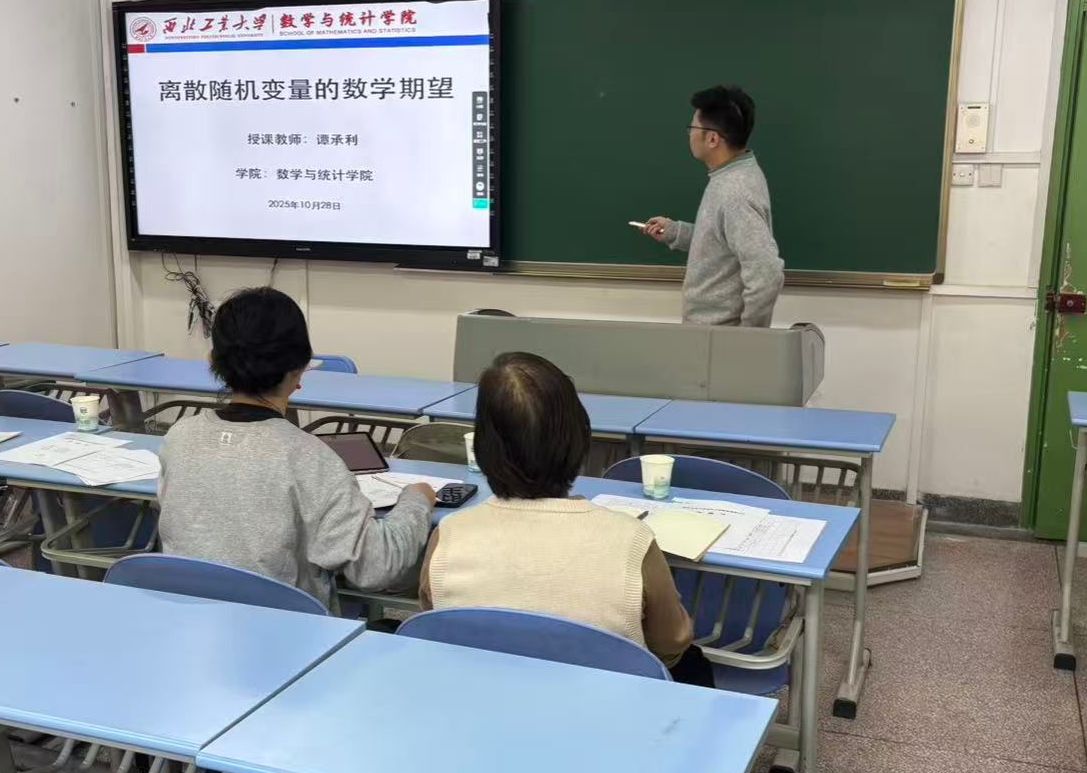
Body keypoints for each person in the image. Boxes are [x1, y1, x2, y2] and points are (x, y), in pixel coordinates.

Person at [419, 350, 716, 685]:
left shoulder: (449, 534)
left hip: (481, 696)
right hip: (608, 705)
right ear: (579, 438)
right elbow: (671, 643)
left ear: (483, 446)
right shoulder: (631, 539)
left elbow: (436, 623)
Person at [158, 286, 433, 607]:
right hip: (285, 630)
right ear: (300, 369)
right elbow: (375, 566)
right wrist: (417, 500)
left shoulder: (178, 437)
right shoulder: (310, 458)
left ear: (212, 361)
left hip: (188, 623)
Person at [642, 85, 784, 328]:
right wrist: (676, 232)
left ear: (712, 139)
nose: (689, 135)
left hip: (719, 337)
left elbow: (766, 271)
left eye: (692, 128)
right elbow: (722, 240)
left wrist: (750, 338)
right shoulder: (733, 173)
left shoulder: (734, 192)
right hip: (710, 335)